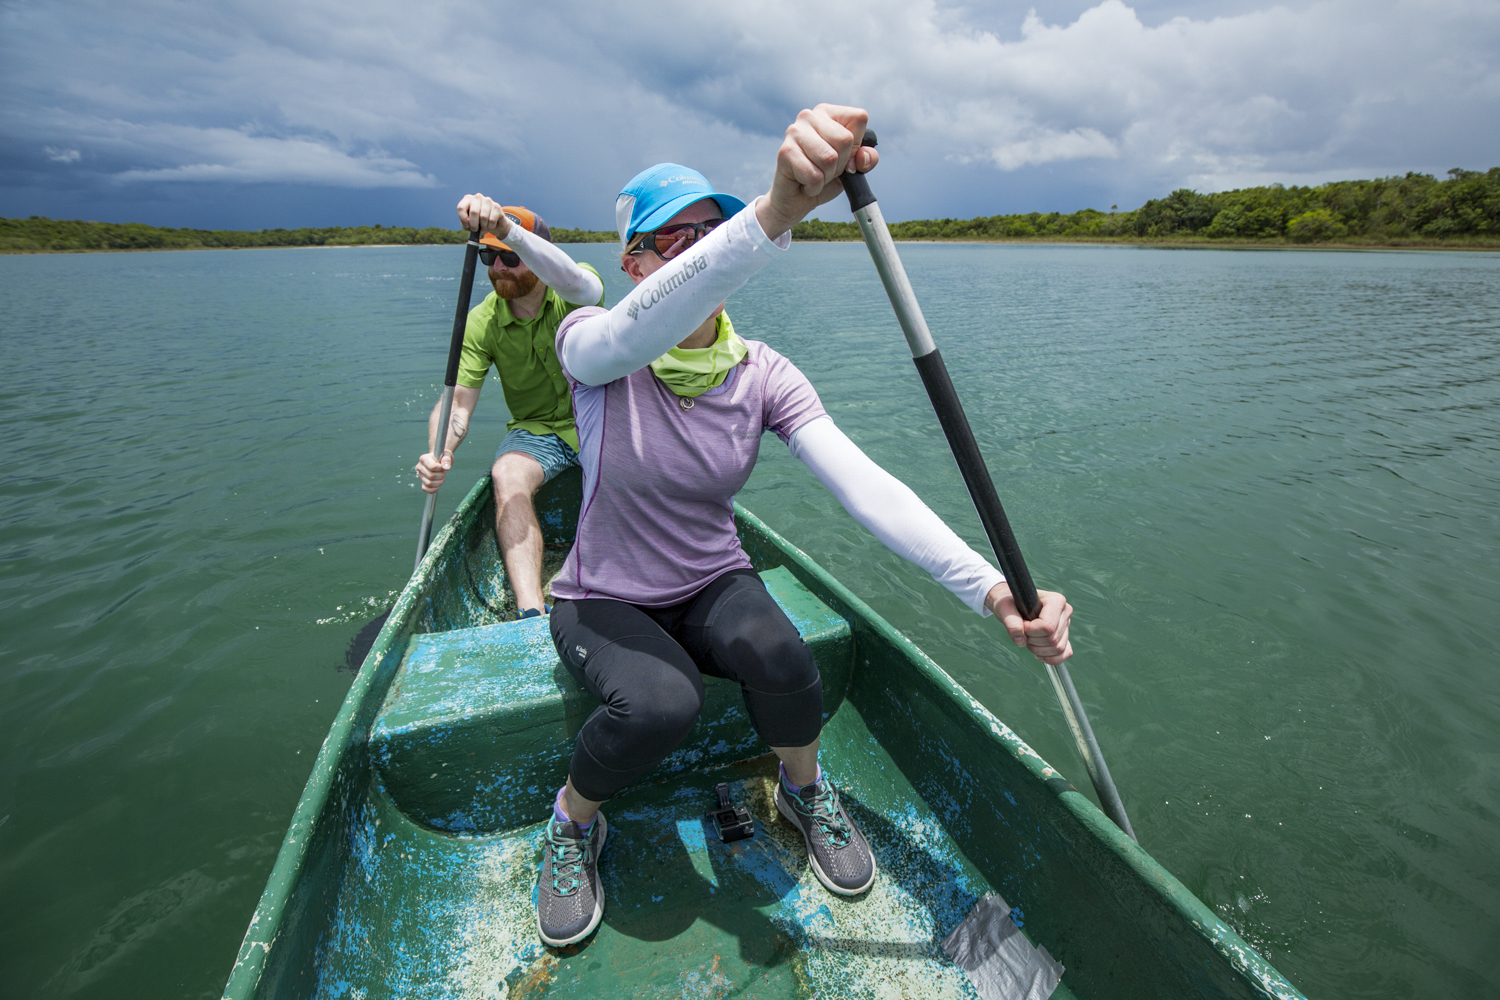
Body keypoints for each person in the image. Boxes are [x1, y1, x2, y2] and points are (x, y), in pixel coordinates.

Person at [534, 105, 1076, 947]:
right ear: (632, 263)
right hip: (602, 593)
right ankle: (573, 822)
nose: (692, 252)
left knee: (787, 657)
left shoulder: (764, 374)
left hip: (711, 579)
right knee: (660, 703)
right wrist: (771, 215)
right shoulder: (591, 346)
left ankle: (802, 788)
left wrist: (993, 589)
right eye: (667, 241)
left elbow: (867, 487)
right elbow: (628, 333)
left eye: (706, 233)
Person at [415, 200, 605, 618]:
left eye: (511, 256)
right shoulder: (482, 320)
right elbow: (458, 407)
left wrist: (506, 228)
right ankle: (530, 611)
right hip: (537, 430)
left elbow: (580, 284)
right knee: (506, 473)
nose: (498, 267)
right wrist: (439, 451)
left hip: (603, 419)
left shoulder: (575, 288)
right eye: (489, 255)